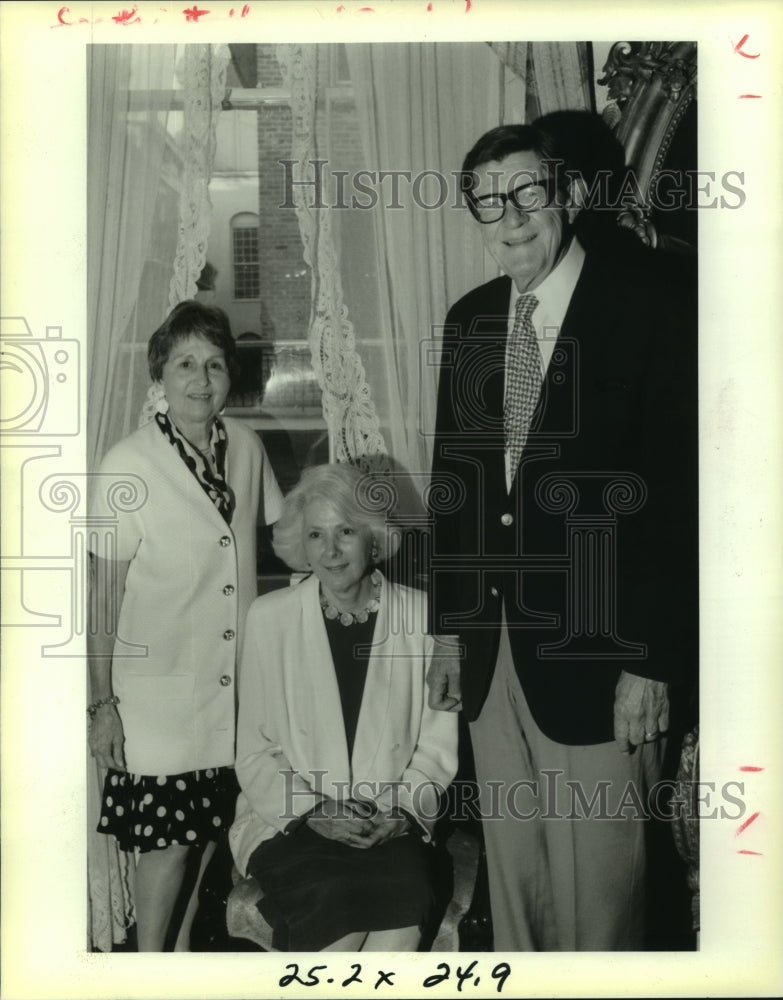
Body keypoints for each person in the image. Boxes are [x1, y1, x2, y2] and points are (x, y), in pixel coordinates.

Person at [426, 113, 698, 951]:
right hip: (493, 657)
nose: (508, 217)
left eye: (524, 193)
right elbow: (458, 489)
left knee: (602, 904)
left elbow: (679, 500)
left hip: (602, 659)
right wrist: (447, 628)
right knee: (517, 893)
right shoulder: (470, 319)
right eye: (485, 202)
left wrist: (650, 662)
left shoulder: (649, 307)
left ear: (566, 194)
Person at [87, 300, 284, 951]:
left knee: (205, 844)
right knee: (167, 850)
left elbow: (279, 541)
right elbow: (99, 597)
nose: (201, 380)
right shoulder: (128, 463)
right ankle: (145, 971)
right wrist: (101, 705)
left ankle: (171, 963)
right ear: (160, 377)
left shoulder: (247, 448)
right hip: (157, 702)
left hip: (228, 699)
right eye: (185, 365)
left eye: (214, 365)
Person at [229, 463, 458, 952]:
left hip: (390, 822)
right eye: (316, 534)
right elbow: (254, 752)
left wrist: (402, 810)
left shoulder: (422, 618)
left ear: (373, 539)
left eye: (346, 532)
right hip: (292, 822)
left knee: (406, 899)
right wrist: (314, 811)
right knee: (335, 905)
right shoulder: (270, 619)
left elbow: (436, 748)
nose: (330, 551)